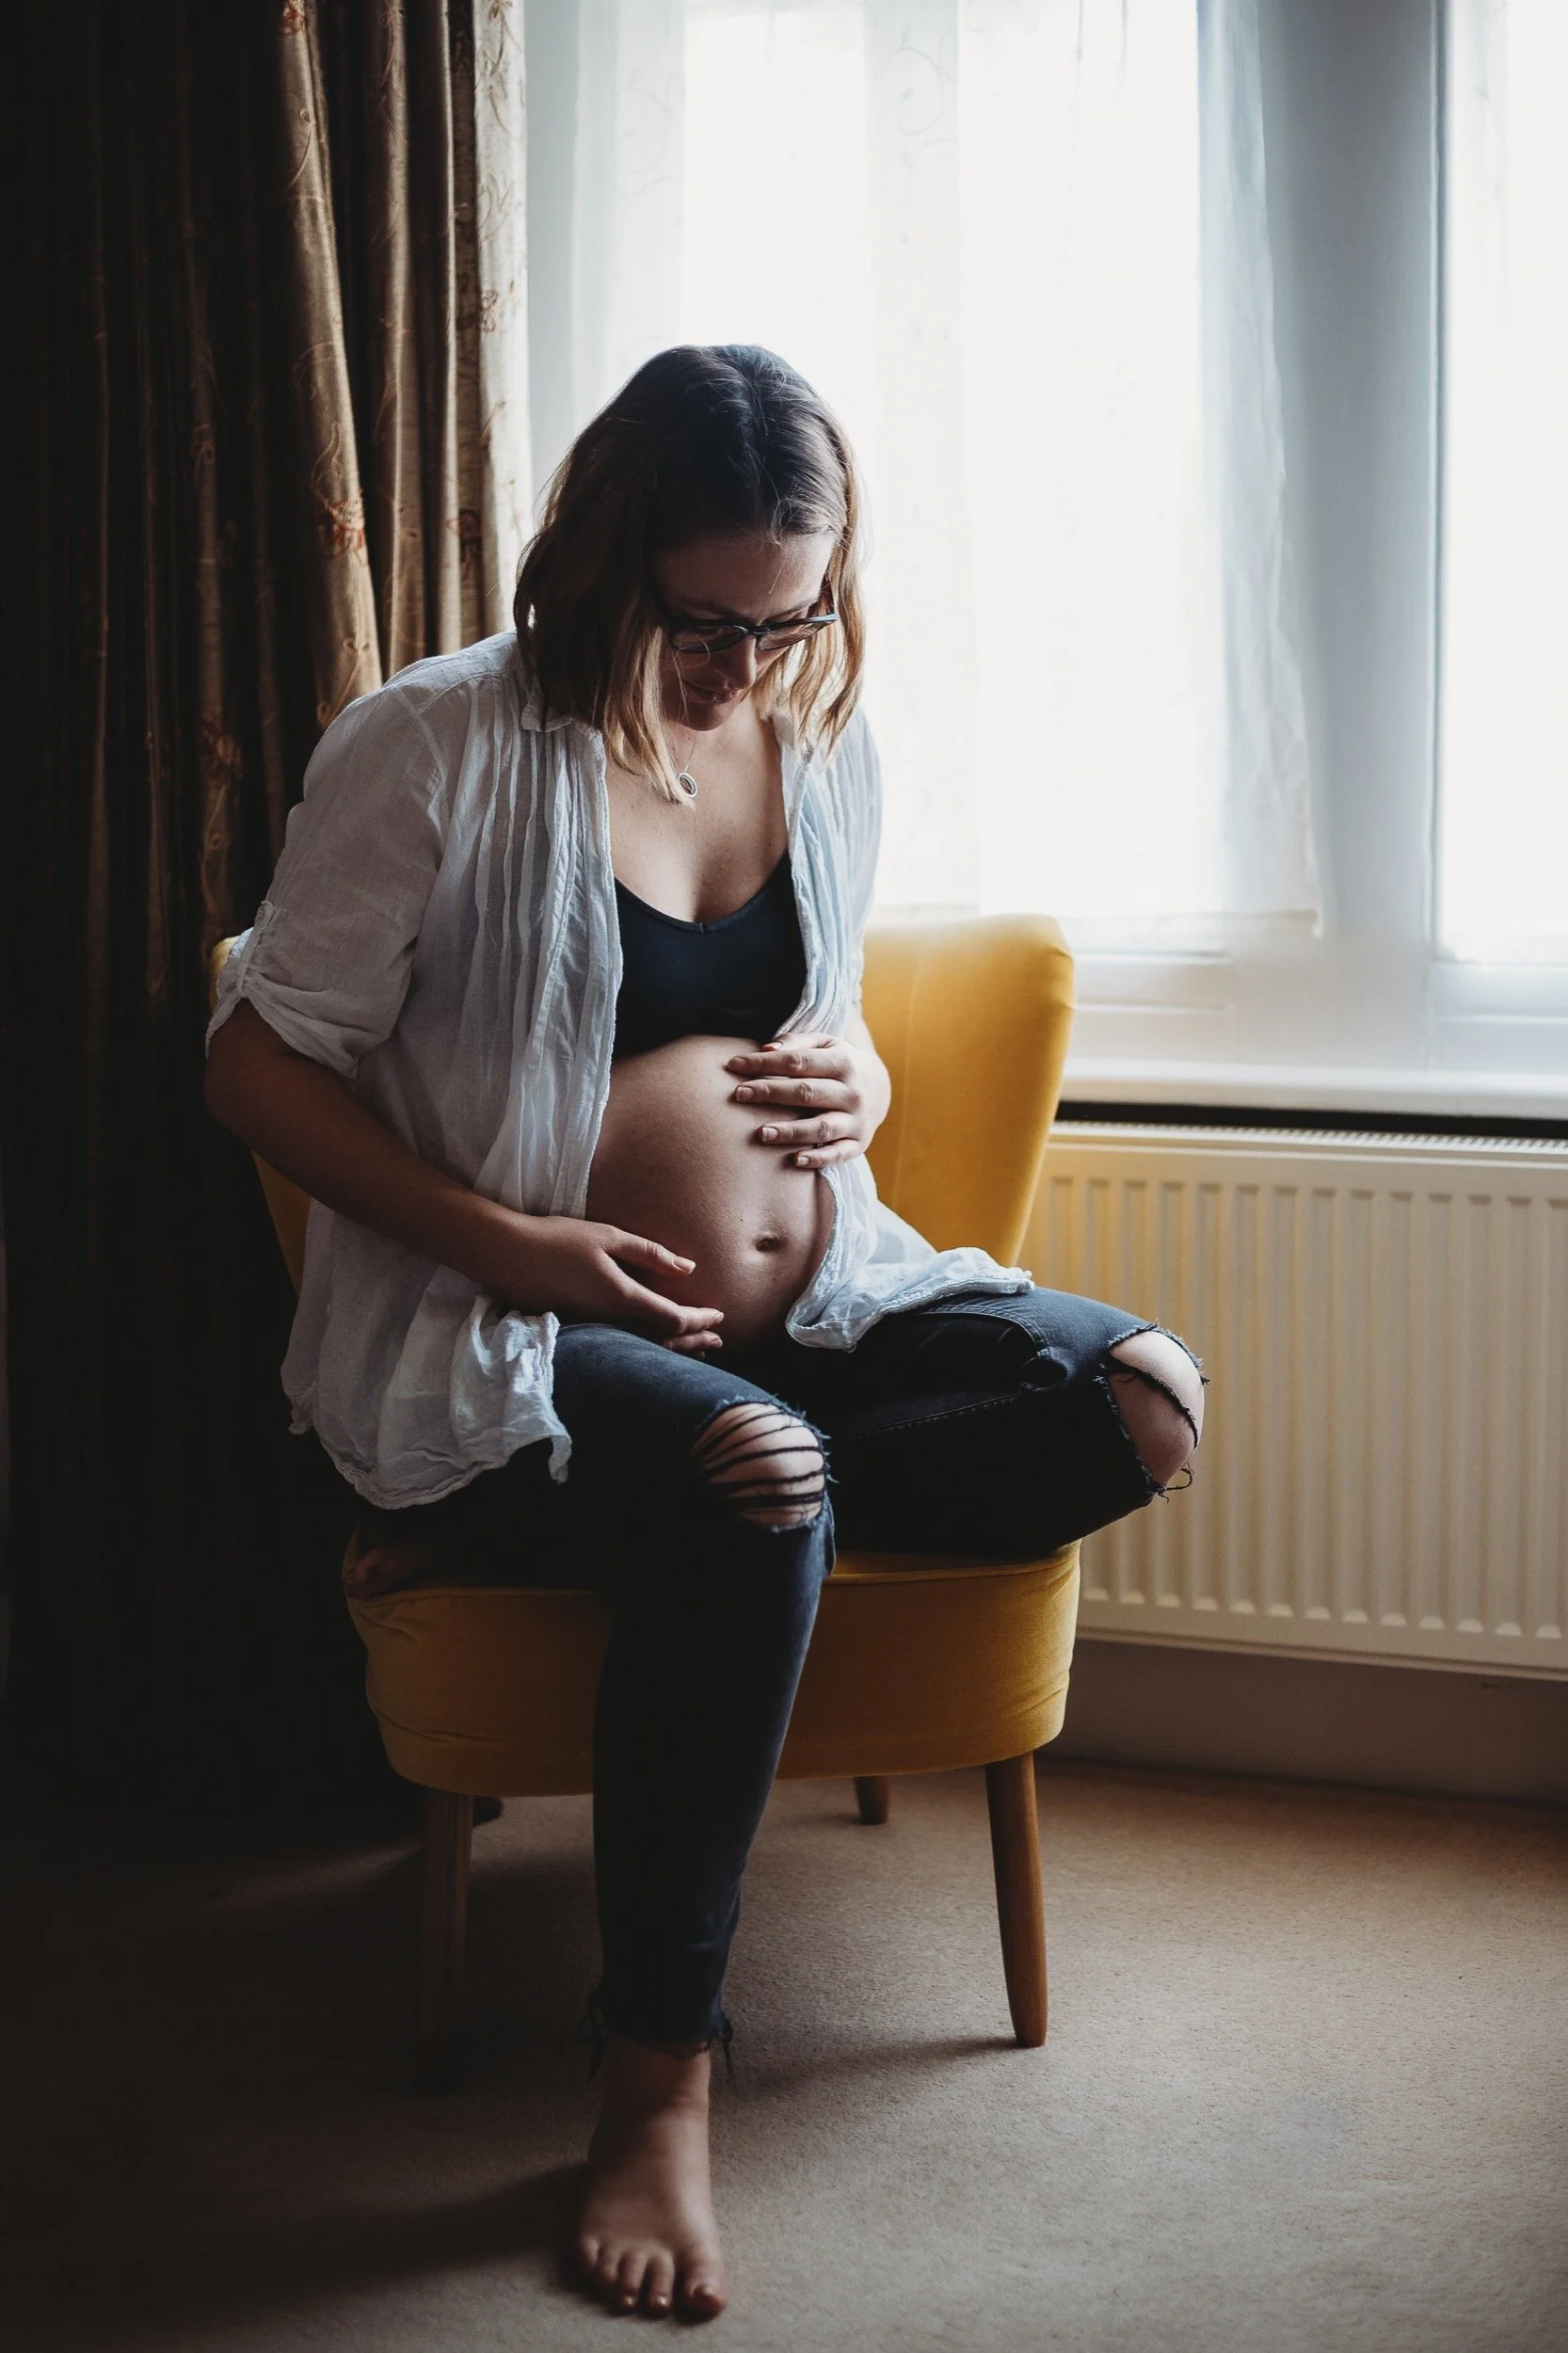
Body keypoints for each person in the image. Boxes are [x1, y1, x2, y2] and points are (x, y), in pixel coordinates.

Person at [206, 344, 1204, 2322]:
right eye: (701, 619)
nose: (747, 664)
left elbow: (812, 1024)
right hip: (505, 1316)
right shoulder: (432, 746)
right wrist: (525, 1242)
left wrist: (862, 1094)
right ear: (598, 562)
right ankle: (656, 2066)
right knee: (758, 1472)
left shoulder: (820, 739)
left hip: (813, 1301)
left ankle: (597, 1504)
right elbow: (253, 1062)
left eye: (789, 615)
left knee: (1137, 1403)